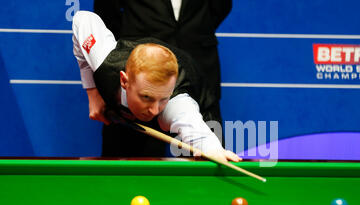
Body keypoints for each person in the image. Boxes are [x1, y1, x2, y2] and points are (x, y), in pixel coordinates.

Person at [72, 10, 240, 162]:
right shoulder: (106, 60)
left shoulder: (177, 103)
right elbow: (82, 19)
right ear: (124, 81)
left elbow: (194, 127)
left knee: (208, 164)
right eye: (146, 97)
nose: (154, 110)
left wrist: (212, 148)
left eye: (163, 99)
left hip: (201, 100)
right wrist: (92, 91)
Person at [93, 0, 232, 125]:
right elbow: (106, 13)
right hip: (139, 70)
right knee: (132, 152)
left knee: (206, 147)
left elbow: (221, 6)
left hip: (199, 64)